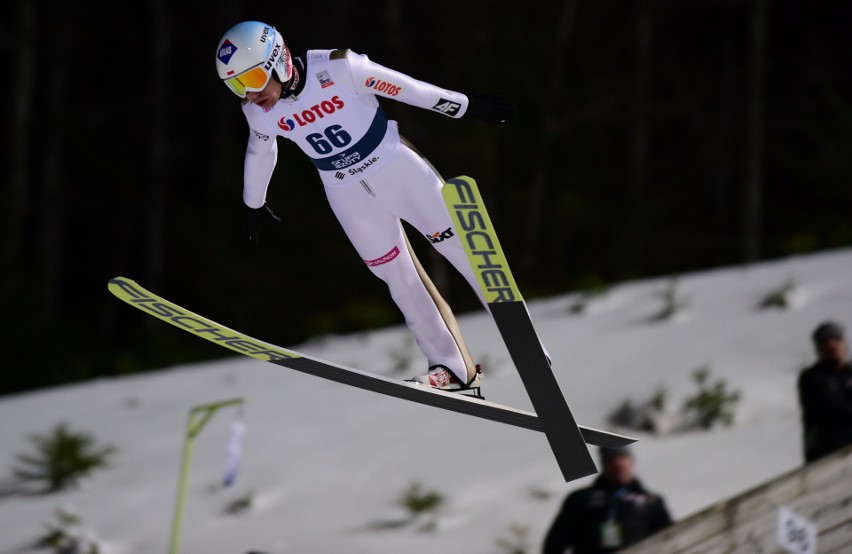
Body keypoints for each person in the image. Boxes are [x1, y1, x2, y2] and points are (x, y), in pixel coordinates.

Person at [214, 21, 516, 394]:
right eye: (237, 86)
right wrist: (254, 204)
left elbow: (408, 89)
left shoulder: (339, 68)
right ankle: (452, 366)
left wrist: (466, 107)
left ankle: (523, 342)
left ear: (280, 61)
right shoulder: (258, 111)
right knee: (398, 279)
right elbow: (261, 151)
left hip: (397, 168)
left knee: (463, 250)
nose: (251, 93)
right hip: (346, 194)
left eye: (255, 78)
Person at [542, 447, 672, 554]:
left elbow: (669, 539)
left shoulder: (651, 501)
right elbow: (556, 542)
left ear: (631, 462)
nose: (618, 464)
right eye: (611, 459)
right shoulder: (581, 499)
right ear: (603, 464)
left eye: (622, 457)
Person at [797, 320, 852, 463]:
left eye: (836, 340)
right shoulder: (812, 378)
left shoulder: (849, 373)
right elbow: (827, 408)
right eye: (825, 342)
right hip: (827, 454)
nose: (831, 345)